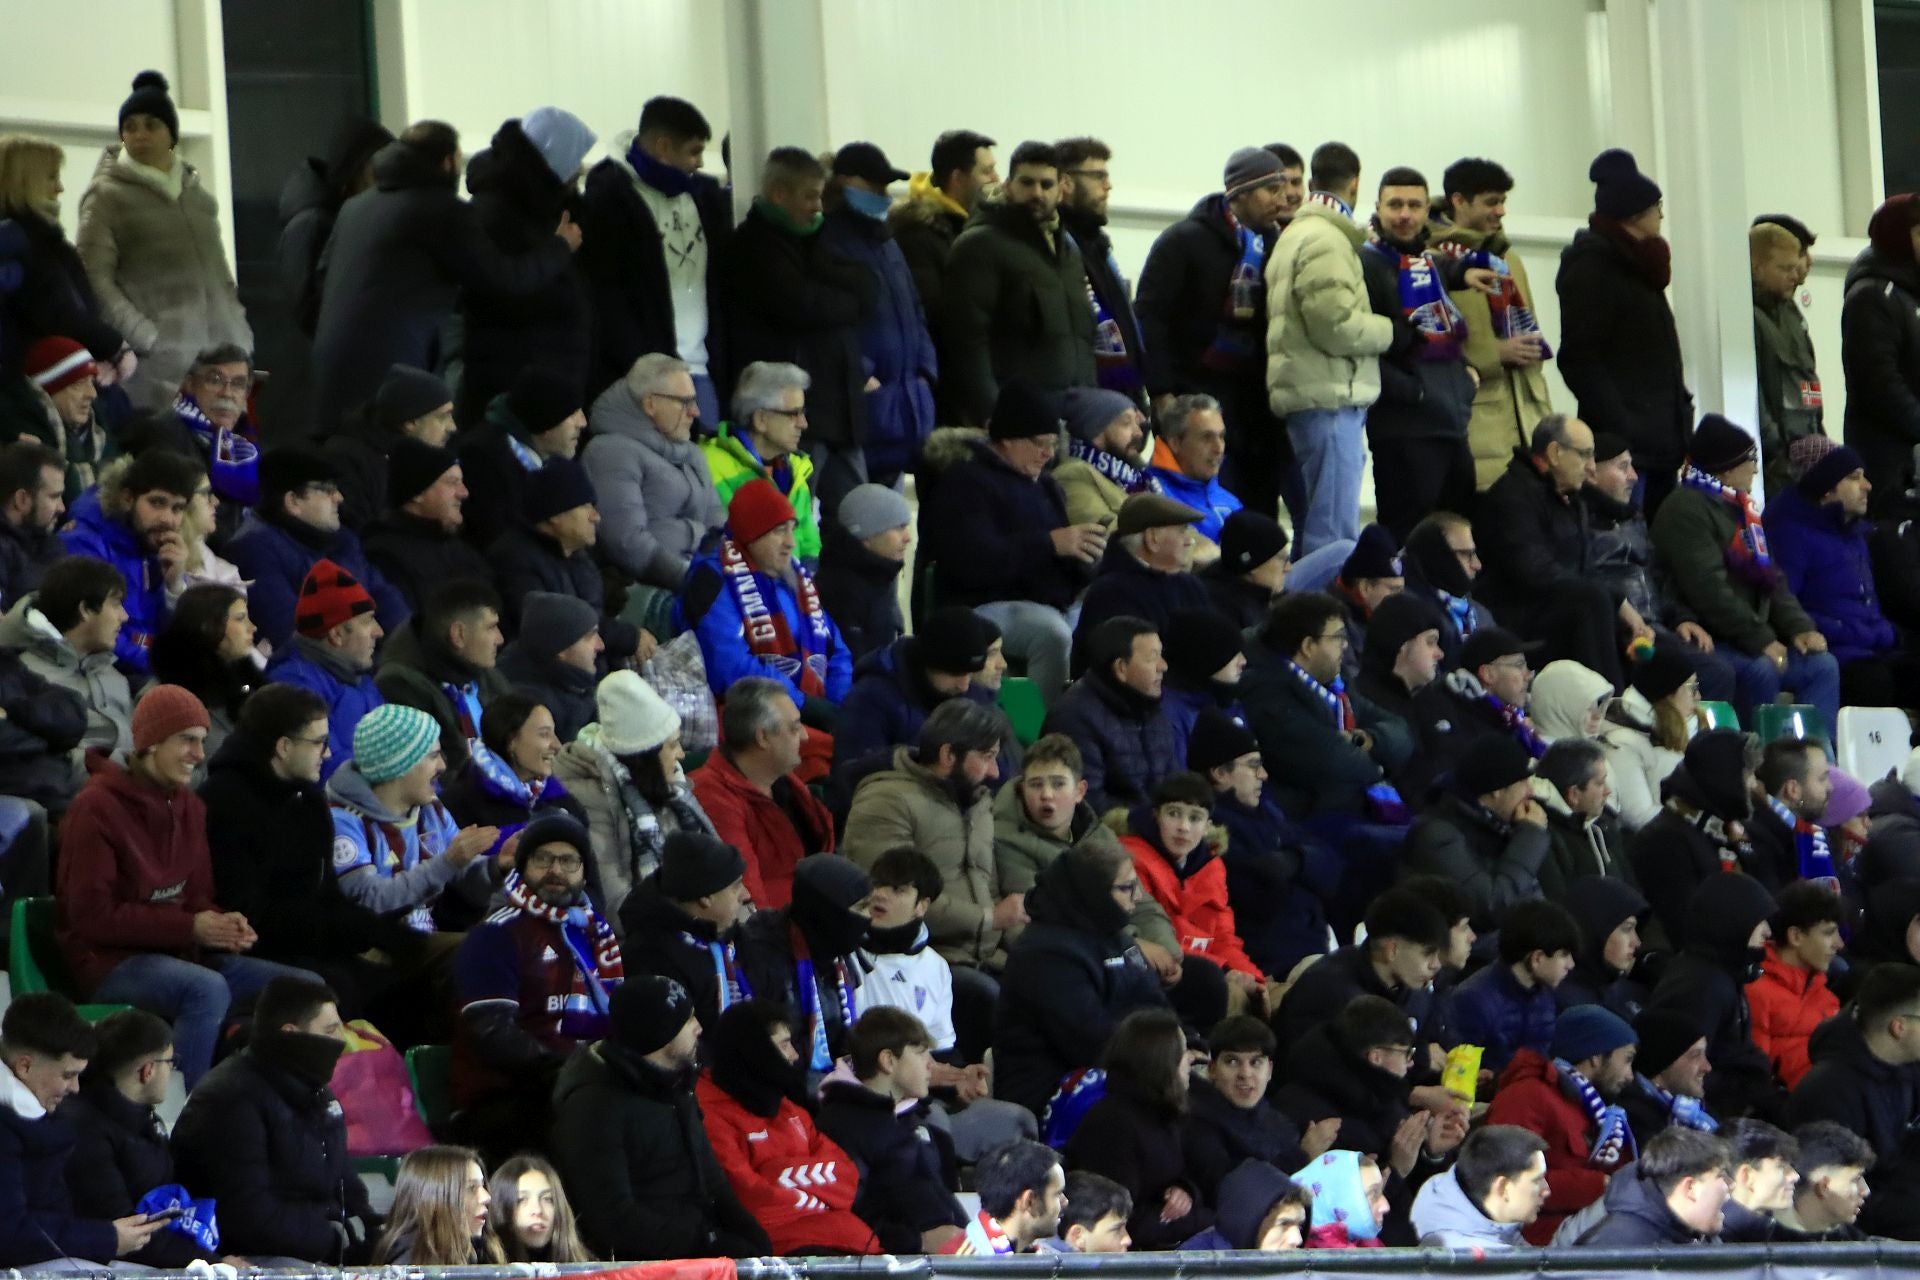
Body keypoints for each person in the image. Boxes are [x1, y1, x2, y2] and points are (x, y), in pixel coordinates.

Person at [58, 686, 317, 1087]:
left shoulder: (189, 807)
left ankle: (282, 1101)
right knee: (206, 989)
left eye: (202, 740)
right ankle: (182, 1115)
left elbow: (196, 895)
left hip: (178, 954)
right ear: (150, 743)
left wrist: (220, 923)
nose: (199, 755)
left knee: (304, 990)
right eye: (187, 740)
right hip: (110, 961)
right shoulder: (96, 808)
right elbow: (91, 916)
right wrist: (190, 927)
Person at [310, 119, 578, 428]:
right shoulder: (442, 211)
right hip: (395, 374)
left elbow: (321, 276)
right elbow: (504, 279)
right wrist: (559, 247)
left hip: (330, 368)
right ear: (448, 160)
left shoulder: (355, 207)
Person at [199, 683, 404, 1013]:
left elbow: (327, 893)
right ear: (283, 746)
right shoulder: (225, 802)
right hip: (261, 950)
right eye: (319, 743)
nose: (327, 754)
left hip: (313, 942)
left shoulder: (307, 797)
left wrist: (376, 931)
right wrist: (346, 932)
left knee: (406, 968)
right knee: (344, 988)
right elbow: (251, 913)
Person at [553, 974, 770, 1259]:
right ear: (660, 1035)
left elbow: (711, 1179)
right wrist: (707, 1245)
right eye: (688, 1020)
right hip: (647, 1265)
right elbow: (613, 1219)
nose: (699, 1028)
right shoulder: (593, 1105)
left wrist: (750, 1234)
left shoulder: (677, 1083)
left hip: (698, 1251)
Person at [170, 977, 381, 1263]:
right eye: (330, 1030)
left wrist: (371, 1231)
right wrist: (334, 1239)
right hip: (251, 1255)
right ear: (291, 1034)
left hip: (318, 1245)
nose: (342, 1041)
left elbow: (345, 1180)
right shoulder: (229, 1099)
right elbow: (246, 1216)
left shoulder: (316, 1091)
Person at [918, 380, 1103, 702]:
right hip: (982, 604)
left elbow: (1060, 552)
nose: (1048, 454)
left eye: (1053, 444)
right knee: (1053, 635)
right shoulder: (964, 482)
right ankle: (1046, 731)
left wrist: (1086, 557)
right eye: (1039, 443)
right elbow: (972, 563)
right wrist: (1049, 544)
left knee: (1110, 619)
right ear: (1007, 438)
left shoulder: (1045, 485)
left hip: (1050, 601)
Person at [452, 813, 621, 1164]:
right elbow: (494, 1035)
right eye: (542, 859)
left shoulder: (596, 935)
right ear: (522, 867)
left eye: (568, 861)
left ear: (585, 872)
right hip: (509, 1098)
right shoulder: (496, 934)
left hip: (579, 1089)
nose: (555, 870)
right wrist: (576, 1074)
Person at [1136, 147, 1293, 523]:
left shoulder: (1279, 247)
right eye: (1270, 189)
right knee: (1202, 508)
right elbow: (1150, 317)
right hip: (1197, 397)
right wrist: (1160, 390)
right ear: (1239, 193)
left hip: (1258, 407)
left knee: (1257, 512)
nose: (1282, 198)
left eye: (1283, 187)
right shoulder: (1184, 241)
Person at [1655, 417, 1843, 730]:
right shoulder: (1685, 509)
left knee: (1822, 666)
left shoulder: (1741, 509)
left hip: (1746, 637)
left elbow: (1773, 578)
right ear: (1726, 468)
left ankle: (1819, 761)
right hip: (1712, 638)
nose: (1756, 469)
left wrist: (1799, 628)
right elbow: (1708, 588)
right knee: (1761, 669)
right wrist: (1761, 639)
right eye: (1750, 460)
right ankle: (1759, 763)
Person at [77, 73, 250, 411]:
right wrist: (147, 337)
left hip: (221, 363)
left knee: (224, 459)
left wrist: (238, 328)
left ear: (171, 133)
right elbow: (93, 278)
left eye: (151, 124)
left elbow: (220, 274)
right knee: (171, 456)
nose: (139, 134)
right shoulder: (105, 197)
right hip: (158, 371)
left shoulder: (197, 196)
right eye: (129, 126)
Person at [1265, 142, 1394, 555]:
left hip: (1315, 396)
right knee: (1333, 538)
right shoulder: (1326, 239)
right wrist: (1392, 331)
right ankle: (1319, 618)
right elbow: (1334, 326)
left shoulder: (1297, 235)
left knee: (1320, 529)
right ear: (1355, 183)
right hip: (1330, 399)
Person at [729, 147, 873, 516]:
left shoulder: (817, 240)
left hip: (842, 410)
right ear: (780, 194)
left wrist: (834, 299)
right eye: (810, 196)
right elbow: (798, 305)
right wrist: (844, 303)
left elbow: (867, 287)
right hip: (801, 415)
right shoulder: (753, 245)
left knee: (862, 521)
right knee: (794, 516)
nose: (818, 207)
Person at [992, 842, 1172, 1120]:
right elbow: (1091, 1040)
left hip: (1121, 1066)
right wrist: (1164, 1055)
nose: (1137, 897)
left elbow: (1153, 999)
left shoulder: (1116, 935)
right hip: (1049, 1092)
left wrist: (1184, 1043)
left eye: (1136, 886)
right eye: (1126, 888)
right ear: (1093, 892)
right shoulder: (1044, 954)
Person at [1555, 149, 1691, 514]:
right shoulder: (1593, 268)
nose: (1662, 215)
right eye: (1656, 206)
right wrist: (1621, 427)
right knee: (1631, 540)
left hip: (1661, 441)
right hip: (1627, 447)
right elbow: (1579, 357)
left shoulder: (1641, 268)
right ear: (1635, 214)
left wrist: (1681, 409)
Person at [845, 700, 1017, 982]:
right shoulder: (887, 801)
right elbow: (891, 897)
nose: (995, 772)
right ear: (949, 755)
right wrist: (987, 919)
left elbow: (991, 886)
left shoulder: (978, 802)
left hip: (988, 958)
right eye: (987, 756)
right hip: (923, 960)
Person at [991, 733, 1183, 980]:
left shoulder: (1098, 834)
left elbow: (1140, 901)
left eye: (1058, 784)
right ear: (1022, 787)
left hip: (1119, 947)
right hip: (1071, 960)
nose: (1046, 794)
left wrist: (1168, 951)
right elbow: (1049, 919)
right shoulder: (1006, 839)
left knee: (1203, 979)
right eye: (1036, 784)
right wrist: (1133, 947)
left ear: (1080, 790)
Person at [578, 95, 728, 410]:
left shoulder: (704, 196)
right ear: (662, 146)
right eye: (694, 151)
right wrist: (638, 360)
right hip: (646, 375)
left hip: (702, 367)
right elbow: (606, 293)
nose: (700, 163)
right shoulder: (610, 199)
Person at [696, 999, 878, 1255]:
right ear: (754, 1051)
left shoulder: (788, 1108)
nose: (794, 1055)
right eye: (783, 1045)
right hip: (784, 1252)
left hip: (851, 1241)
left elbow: (846, 1176)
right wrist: (822, 1196)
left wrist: (778, 1174)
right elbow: (751, 1203)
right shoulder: (708, 1112)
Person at [1480, 415, 1647, 688]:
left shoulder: (1569, 497)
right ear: (1555, 453)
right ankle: (1608, 703)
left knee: (1651, 642)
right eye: (1585, 455)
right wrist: (1613, 601)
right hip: (1520, 615)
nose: (1592, 467)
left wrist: (1621, 605)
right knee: (1591, 600)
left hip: (1564, 605)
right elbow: (1535, 572)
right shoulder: (1512, 497)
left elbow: (1586, 569)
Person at [0, 993, 164, 1268]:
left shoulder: (37, 1116)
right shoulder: (7, 1127)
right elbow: (10, 1233)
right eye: (67, 1075)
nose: (75, 1088)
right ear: (25, 1065)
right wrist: (107, 1237)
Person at [1360, 167, 1480, 539]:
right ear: (1377, 208)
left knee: (1456, 536)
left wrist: (1465, 379)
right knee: (1407, 540)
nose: (1404, 215)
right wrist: (1412, 391)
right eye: (1395, 204)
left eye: (1414, 205)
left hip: (1451, 422)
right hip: (1403, 428)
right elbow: (1361, 347)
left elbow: (1447, 333)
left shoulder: (1429, 265)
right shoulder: (1364, 264)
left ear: (1428, 209)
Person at [328, 702, 508, 948]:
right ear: (399, 764)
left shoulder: (430, 808)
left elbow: (460, 872)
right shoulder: (344, 820)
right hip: (376, 949)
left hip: (426, 937)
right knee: (478, 954)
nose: (442, 766)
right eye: (433, 756)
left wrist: (498, 865)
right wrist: (449, 861)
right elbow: (370, 899)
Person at [456, 107, 596, 423]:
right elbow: (505, 287)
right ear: (554, 160)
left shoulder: (545, 203)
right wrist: (560, 248)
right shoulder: (493, 213)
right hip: (515, 380)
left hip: (547, 372)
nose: (581, 169)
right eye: (575, 159)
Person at [942, 141, 1095, 426]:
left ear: (1062, 187)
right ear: (1009, 184)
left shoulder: (1069, 251)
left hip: (1074, 415)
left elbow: (1082, 336)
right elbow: (967, 343)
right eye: (1027, 183)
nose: (1036, 193)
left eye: (1046, 184)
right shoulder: (980, 245)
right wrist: (993, 414)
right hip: (1018, 422)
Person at [1427, 157, 1554, 492]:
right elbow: (1428, 342)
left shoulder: (1508, 257)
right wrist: (1491, 352)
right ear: (1458, 201)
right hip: (1478, 420)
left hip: (1526, 414)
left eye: (1503, 202)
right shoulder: (1432, 260)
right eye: (1491, 202)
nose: (1500, 211)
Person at [681, 477, 852, 720]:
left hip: (805, 712)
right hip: (747, 718)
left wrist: (839, 703)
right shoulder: (712, 580)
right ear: (752, 536)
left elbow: (837, 650)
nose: (791, 543)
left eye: (792, 529)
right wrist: (803, 704)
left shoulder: (796, 578)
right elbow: (727, 667)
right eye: (779, 531)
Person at [1766, 437, 1920, 708]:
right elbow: (1786, 607)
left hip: (1871, 645)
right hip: (1835, 651)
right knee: (1873, 680)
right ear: (1827, 489)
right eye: (1854, 478)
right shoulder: (1791, 537)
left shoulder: (1855, 534)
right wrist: (1857, 633)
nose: (1867, 486)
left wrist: (1886, 633)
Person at [1586, 433, 1739, 704]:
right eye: (1622, 467)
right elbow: (1590, 581)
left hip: (1659, 627)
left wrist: (1681, 617)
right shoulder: (1581, 523)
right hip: (1621, 634)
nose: (1633, 476)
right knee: (1716, 673)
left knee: (1743, 669)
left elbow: (1657, 575)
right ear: (1591, 472)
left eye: (1632, 466)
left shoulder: (1634, 518)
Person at [555, 671, 715, 926]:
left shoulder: (669, 785)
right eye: (672, 745)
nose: (682, 754)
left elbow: (715, 860)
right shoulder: (589, 794)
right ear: (647, 756)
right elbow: (617, 903)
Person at [1241, 589, 1414, 823]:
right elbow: (1332, 762)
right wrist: (1381, 766)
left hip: (1350, 807)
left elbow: (1399, 728)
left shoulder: (1336, 682)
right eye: (1338, 637)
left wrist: (1369, 740)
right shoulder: (1266, 694)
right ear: (1308, 645)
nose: (1345, 646)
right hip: (1311, 821)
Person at [1191, 708, 1339, 980]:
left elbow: (1331, 867)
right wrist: (1301, 868)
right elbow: (1262, 900)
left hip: (1310, 946)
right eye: (1252, 765)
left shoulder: (1267, 812)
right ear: (1220, 774)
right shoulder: (1211, 830)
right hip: (1274, 963)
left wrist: (1294, 861)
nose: (1263, 775)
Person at [821, 143, 937, 486]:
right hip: (868, 407)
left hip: (905, 402)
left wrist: (925, 372)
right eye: (875, 186)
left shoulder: (887, 242)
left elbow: (915, 310)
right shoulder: (830, 241)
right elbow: (830, 321)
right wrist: (863, 376)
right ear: (844, 182)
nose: (883, 194)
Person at [62, 1009, 213, 1267]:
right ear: (147, 1070)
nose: (172, 1071)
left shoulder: (139, 1118)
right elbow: (128, 1235)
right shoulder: (87, 1130)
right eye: (170, 1062)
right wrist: (213, 1262)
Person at [225, 445, 408, 651]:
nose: (339, 497)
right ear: (293, 501)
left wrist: (404, 647)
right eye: (326, 489)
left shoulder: (343, 540)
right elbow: (288, 631)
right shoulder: (254, 549)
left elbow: (385, 599)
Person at [1483, 1003, 1640, 1244]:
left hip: (1569, 1228)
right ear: (1596, 1057)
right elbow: (1506, 1178)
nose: (1630, 1075)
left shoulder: (1586, 1104)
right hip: (1533, 1237)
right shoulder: (1528, 1094)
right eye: (1626, 1060)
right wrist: (1600, 1185)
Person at [816, 1006, 968, 1254]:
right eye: (921, 1054)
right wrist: (918, 1242)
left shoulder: (914, 1122)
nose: (931, 1066)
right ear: (888, 1060)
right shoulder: (841, 1128)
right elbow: (846, 1215)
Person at [1786, 962, 1920, 1237]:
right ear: (1899, 1027)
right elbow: (1836, 1197)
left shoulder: (1906, 1067)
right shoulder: (1829, 1091)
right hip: (1860, 1217)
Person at [1273, 995, 1468, 1183]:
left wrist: (1431, 1153)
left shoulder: (1383, 1091)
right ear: (1376, 1057)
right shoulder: (1307, 1114)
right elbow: (1340, 1207)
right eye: (1406, 1053)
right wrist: (1396, 1171)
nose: (1410, 1063)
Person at [1062, 1008, 1213, 1249]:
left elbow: (1173, 1175)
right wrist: (1204, 1220)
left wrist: (1185, 1191)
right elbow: (1122, 1222)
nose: (1190, 1058)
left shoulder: (1162, 1111)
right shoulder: (1112, 1124)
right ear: (1161, 1061)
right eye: (1182, 1051)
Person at [1641, 873, 1784, 1122]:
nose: (1767, 931)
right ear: (1733, 919)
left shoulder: (1723, 975)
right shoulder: (1701, 986)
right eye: (1759, 920)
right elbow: (1684, 1071)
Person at [1120, 772, 1266, 1004]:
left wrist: (1252, 978)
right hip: (1160, 973)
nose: (1184, 827)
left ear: (1208, 826)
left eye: (1195, 818)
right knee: (1231, 997)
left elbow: (1224, 938)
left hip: (1210, 970)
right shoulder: (1130, 860)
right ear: (1156, 816)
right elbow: (1157, 936)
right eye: (1174, 814)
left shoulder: (1212, 867)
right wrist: (1226, 970)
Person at [584, 352, 724, 590]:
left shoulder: (692, 452)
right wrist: (691, 580)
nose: (695, 412)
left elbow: (718, 520)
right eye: (685, 402)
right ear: (650, 404)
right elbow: (627, 542)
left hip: (701, 576)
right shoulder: (611, 452)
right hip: (641, 588)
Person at [690, 676, 834, 908]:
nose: (806, 736)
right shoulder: (714, 797)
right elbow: (748, 898)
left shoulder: (783, 780)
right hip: (779, 933)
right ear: (763, 737)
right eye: (795, 728)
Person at [58, 446, 200, 673]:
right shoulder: (84, 543)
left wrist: (174, 587)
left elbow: (174, 641)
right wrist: (166, 667)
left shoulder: (158, 549)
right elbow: (100, 639)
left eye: (177, 508)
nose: (168, 519)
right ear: (127, 498)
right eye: (157, 503)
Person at [736, 855, 875, 1079]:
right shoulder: (763, 958)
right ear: (828, 912)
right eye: (861, 907)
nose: (869, 918)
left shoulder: (837, 952)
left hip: (831, 1082)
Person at [1402, 735, 1553, 936]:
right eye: (1523, 782)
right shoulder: (1436, 835)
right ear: (1497, 791)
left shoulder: (1499, 825)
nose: (1530, 791)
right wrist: (1530, 836)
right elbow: (1491, 907)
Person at [0, 134, 125, 371]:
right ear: (25, 181)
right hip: (47, 379)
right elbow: (61, 316)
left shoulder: (38, 240)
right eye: (51, 177)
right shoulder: (24, 244)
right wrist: (114, 348)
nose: (60, 188)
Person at [1629, 729, 1767, 943]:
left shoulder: (1725, 830)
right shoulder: (1664, 841)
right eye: (1747, 774)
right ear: (1723, 777)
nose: (1753, 784)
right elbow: (1684, 927)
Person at [1271, 883, 1450, 1048]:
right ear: (1392, 950)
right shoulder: (1331, 994)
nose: (1436, 965)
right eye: (1428, 953)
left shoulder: (1409, 987)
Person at [832, 606, 998, 773]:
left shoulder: (975, 697)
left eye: (970, 674)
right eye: (955, 673)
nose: (964, 685)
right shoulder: (870, 700)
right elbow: (852, 776)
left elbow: (1002, 769)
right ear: (929, 662)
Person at [0, 553, 133, 758]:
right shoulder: (26, 677)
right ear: (85, 610)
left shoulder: (113, 675)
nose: (124, 616)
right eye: (115, 604)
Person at [618, 830, 750, 1032]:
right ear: (706, 896)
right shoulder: (651, 957)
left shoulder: (727, 934)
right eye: (736, 887)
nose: (746, 895)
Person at [265, 558, 385, 778]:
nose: (379, 631)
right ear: (337, 634)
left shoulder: (362, 680)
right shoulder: (295, 686)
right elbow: (330, 769)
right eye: (368, 621)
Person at [1042, 615, 1176, 813]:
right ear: (1121, 668)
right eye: (1152, 657)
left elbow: (1176, 784)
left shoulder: (1151, 709)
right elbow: (1087, 805)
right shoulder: (1074, 718)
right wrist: (1154, 822)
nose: (1163, 666)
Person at [276, 116, 392, 342]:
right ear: (358, 168)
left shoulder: (347, 215)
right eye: (380, 167)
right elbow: (309, 312)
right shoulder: (311, 223)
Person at [375, 579, 509, 773]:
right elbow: (438, 774)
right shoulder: (401, 684)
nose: (500, 638)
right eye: (491, 627)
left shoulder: (485, 674)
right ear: (458, 635)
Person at [1841, 192, 1920, 508]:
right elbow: (1881, 384)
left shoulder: (1908, 293)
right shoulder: (1872, 295)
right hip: (1889, 464)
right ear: (1897, 237)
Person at [1185, 1016, 1322, 1198]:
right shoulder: (1197, 1122)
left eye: (1256, 1062)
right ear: (1213, 1069)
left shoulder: (1279, 1120)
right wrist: (1304, 1156)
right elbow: (1229, 1189)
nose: (1245, 1074)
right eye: (1232, 1061)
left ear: (1270, 1070)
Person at [1071, 495, 1210, 672]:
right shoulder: (1111, 593)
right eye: (1181, 532)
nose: (1189, 541)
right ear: (1152, 539)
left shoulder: (1189, 585)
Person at [123, 343, 260, 522]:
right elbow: (181, 515)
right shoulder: (164, 433)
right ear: (190, 384)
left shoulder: (238, 444)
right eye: (215, 380)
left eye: (238, 384)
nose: (227, 393)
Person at [702, 361, 822, 563]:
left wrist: (804, 581)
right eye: (794, 414)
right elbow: (728, 540)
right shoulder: (711, 463)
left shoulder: (796, 468)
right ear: (761, 420)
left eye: (803, 413)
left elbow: (810, 542)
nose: (803, 424)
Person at [456, 365, 587, 551]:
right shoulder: (483, 459)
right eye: (573, 413)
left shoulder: (552, 459)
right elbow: (494, 540)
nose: (583, 422)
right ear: (546, 421)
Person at [893, 128, 997, 352]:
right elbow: (934, 313)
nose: (996, 179)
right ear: (958, 178)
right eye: (987, 171)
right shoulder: (918, 233)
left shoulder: (978, 226)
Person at [362, 437, 493, 614]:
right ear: (417, 493)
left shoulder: (459, 548)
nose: (464, 493)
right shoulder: (384, 554)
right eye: (452, 482)